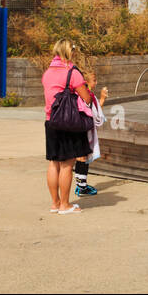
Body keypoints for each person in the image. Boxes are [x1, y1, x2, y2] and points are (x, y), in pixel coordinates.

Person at [43, 39, 94, 214]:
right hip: (68, 123)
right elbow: (86, 98)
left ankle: (55, 203)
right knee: (66, 165)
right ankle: (65, 205)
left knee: (53, 163)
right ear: (70, 52)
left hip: (51, 121)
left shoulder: (48, 72)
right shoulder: (73, 73)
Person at [73, 64, 109, 198]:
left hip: (77, 128)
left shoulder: (77, 94)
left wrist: (102, 98)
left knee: (81, 157)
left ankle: (81, 184)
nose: (96, 82)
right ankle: (81, 187)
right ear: (86, 82)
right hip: (84, 129)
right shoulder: (87, 95)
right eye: (94, 80)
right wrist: (102, 99)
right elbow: (96, 115)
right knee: (83, 157)